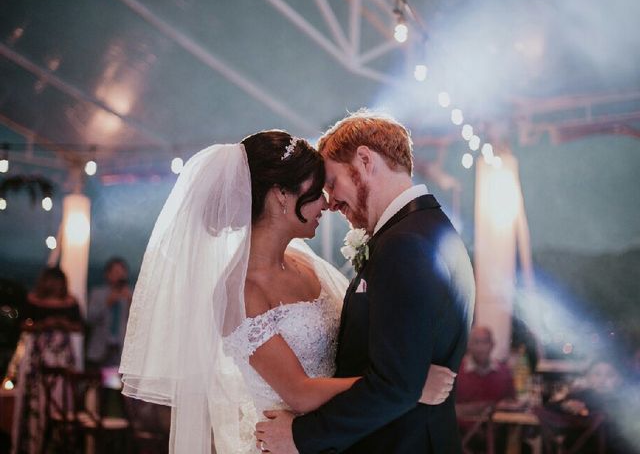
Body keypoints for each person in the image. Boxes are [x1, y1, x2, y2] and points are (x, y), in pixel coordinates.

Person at [119, 130, 457, 454]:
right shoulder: (242, 292)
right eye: (316, 189)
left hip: (337, 436)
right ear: (281, 194)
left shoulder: (304, 263)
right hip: (286, 443)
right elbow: (299, 392)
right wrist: (406, 387)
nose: (327, 203)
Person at [257, 111, 476, 453]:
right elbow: (404, 374)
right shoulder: (429, 229)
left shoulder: (405, 245)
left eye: (331, 182)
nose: (329, 201)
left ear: (364, 160)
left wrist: (301, 436)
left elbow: (394, 387)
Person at [11, 266, 83, 454]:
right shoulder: (33, 300)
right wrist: (43, 325)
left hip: (63, 358)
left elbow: (79, 326)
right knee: (38, 402)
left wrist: (65, 325)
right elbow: (23, 325)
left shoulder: (71, 302)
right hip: (38, 358)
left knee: (62, 399)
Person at [456, 325, 515, 412]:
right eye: (476, 342)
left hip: (498, 424)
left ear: (493, 344)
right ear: (468, 345)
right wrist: (482, 407)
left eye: (485, 342)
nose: (481, 347)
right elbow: (447, 410)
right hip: (461, 425)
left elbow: (511, 403)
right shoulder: (456, 371)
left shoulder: (504, 371)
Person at [86, 257, 132, 369]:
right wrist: (107, 303)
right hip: (100, 349)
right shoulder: (98, 293)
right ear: (108, 274)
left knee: (115, 385)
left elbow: (139, 323)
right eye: (116, 272)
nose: (120, 276)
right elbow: (90, 319)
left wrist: (131, 302)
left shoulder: (130, 295)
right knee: (99, 383)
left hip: (121, 349)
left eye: (122, 272)